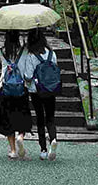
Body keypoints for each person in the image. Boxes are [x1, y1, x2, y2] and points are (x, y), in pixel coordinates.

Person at [19, 28, 60, 161]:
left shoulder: (31, 55)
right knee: (50, 118)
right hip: (50, 90)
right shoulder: (51, 53)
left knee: (40, 119)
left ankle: (43, 149)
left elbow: (29, 76)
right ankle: (53, 139)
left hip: (36, 91)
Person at [0, 30, 32, 159]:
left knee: (8, 119)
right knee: (22, 115)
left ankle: (13, 150)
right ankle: (21, 136)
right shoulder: (24, 51)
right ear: (18, 38)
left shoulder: (1, 51)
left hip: (6, 88)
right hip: (21, 88)